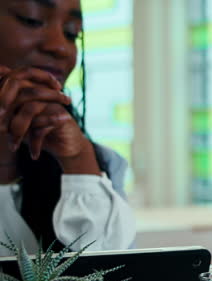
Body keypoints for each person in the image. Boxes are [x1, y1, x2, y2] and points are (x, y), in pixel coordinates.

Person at [0, 0, 134, 257]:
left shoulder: (101, 164)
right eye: (32, 19)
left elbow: (113, 278)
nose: (60, 47)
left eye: (72, 32)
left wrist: (78, 161)